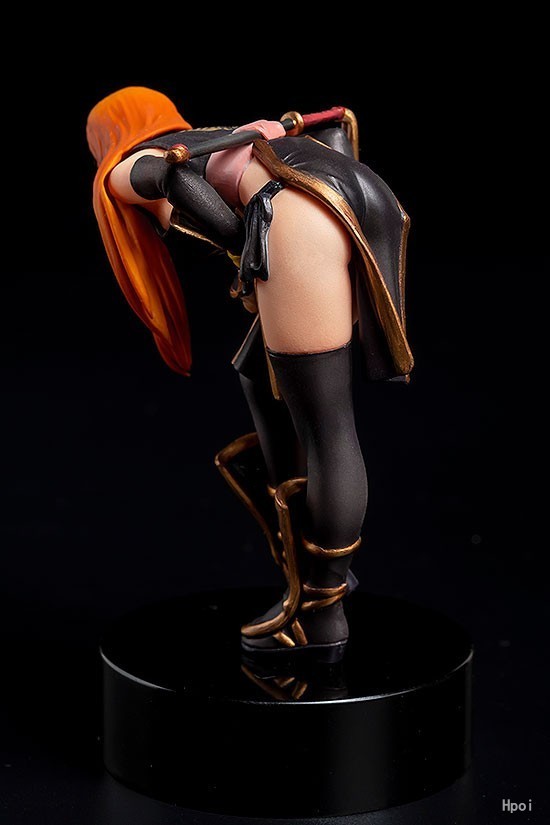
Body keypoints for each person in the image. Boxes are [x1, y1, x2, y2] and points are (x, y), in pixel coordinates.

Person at [87, 86, 413, 660]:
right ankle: (305, 552)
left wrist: (244, 249)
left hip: (295, 219)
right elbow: (336, 132)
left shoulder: (128, 163)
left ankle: (322, 610)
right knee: (257, 375)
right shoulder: (216, 134)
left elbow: (168, 177)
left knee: (327, 425)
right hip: (357, 199)